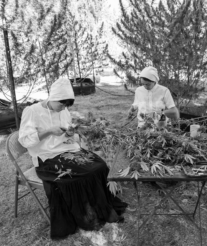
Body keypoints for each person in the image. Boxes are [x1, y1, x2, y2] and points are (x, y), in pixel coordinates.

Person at [18, 78, 127, 239]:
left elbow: (66, 130)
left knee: (100, 165)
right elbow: (25, 140)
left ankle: (102, 206)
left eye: (66, 106)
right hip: (47, 157)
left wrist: (69, 133)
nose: (63, 108)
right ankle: (88, 215)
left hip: (66, 149)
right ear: (52, 97)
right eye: (61, 104)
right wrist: (48, 131)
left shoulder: (63, 110)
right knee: (83, 173)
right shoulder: (32, 111)